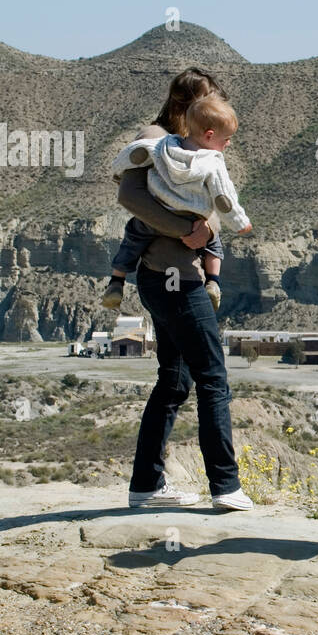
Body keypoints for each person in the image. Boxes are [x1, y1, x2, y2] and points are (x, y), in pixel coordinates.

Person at [116, 68, 250, 512]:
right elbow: (131, 198)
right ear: (186, 104)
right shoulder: (155, 139)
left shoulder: (194, 146)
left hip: (183, 273)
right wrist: (186, 232)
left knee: (174, 382)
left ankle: (146, 484)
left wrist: (208, 243)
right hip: (172, 275)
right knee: (213, 377)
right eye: (209, 101)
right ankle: (226, 487)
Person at [104, 93, 250, 313]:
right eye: (226, 138)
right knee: (214, 245)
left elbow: (137, 153)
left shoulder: (164, 146)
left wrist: (117, 172)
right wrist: (239, 222)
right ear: (209, 136)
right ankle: (213, 282)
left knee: (133, 236)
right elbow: (224, 198)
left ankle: (116, 281)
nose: (229, 143)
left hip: (159, 210)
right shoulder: (212, 162)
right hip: (193, 218)